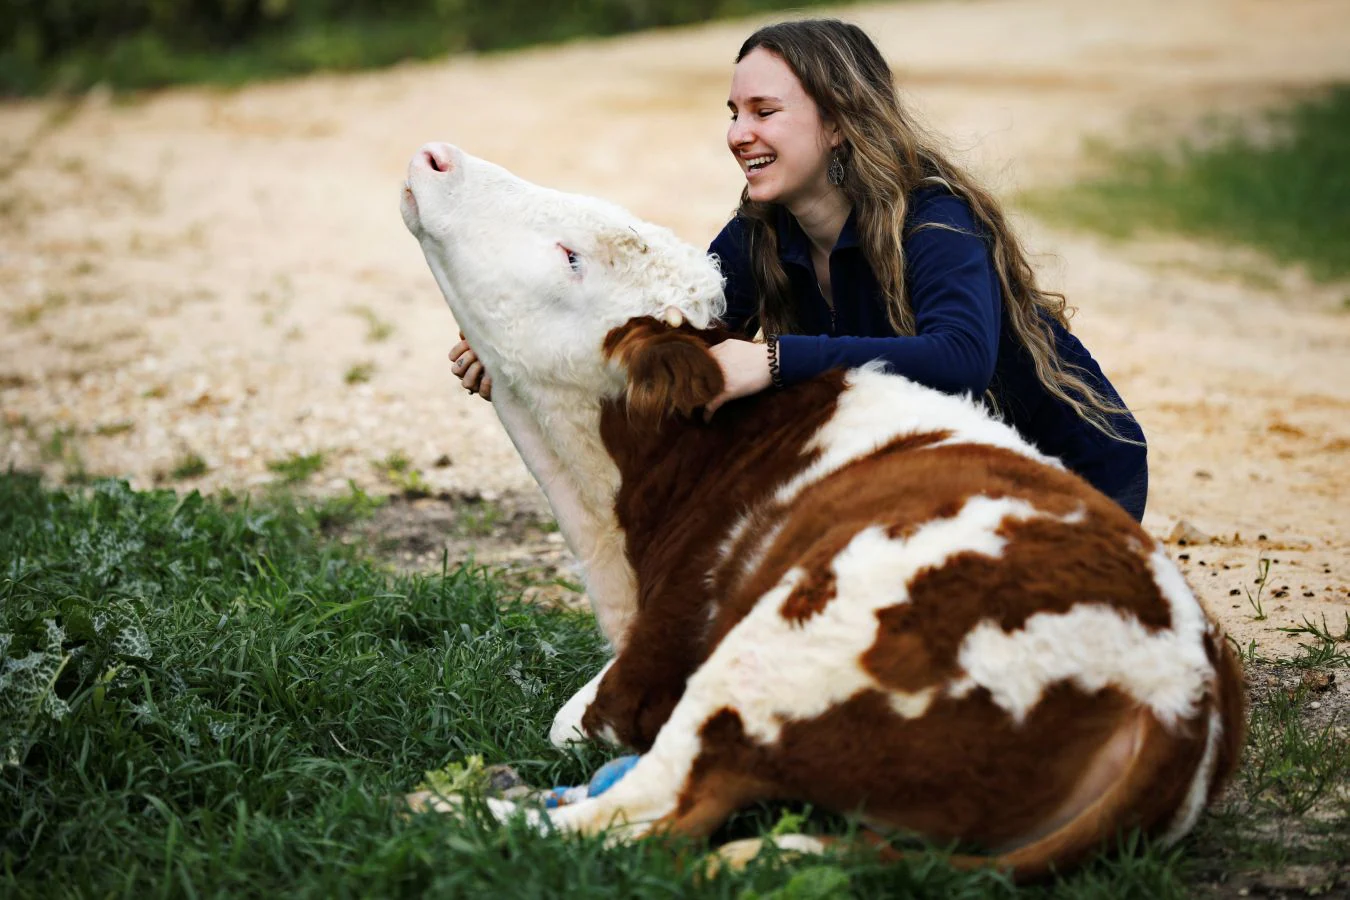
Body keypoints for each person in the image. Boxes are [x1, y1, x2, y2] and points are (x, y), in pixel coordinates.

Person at [451, 18, 1148, 521]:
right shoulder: (761, 236)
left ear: (838, 121)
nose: (738, 133)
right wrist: (518, 357)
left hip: (1071, 488)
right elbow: (668, 341)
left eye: (764, 111)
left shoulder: (934, 220)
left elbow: (961, 357)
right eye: (733, 113)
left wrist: (774, 362)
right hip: (945, 490)